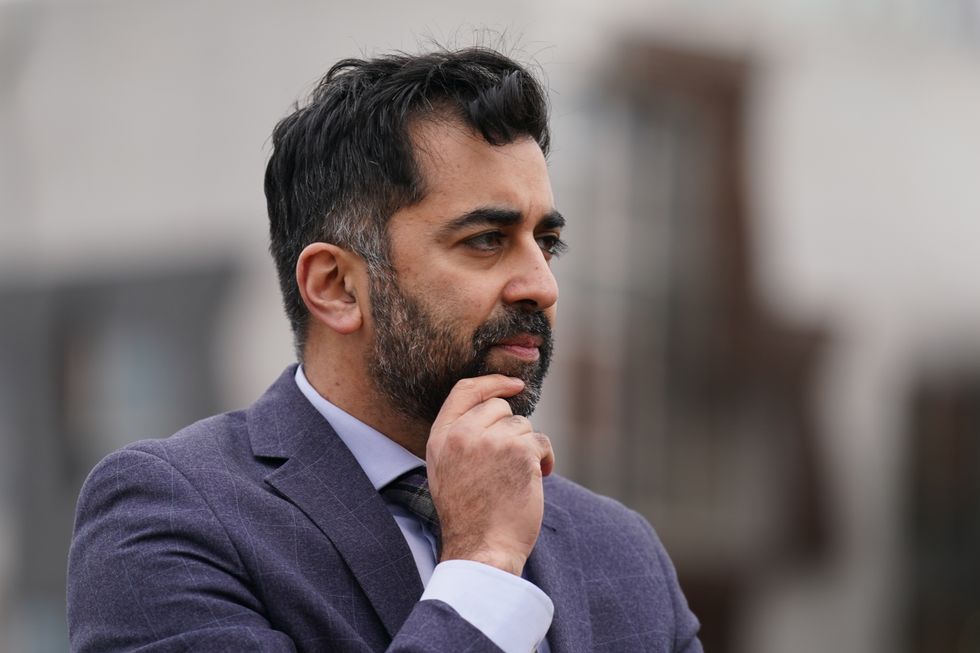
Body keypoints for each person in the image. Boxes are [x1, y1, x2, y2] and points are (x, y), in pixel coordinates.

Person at [67, 47, 702, 652]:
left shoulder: (622, 552)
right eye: (486, 239)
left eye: (547, 242)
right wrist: (483, 565)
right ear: (337, 286)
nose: (542, 284)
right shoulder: (169, 517)